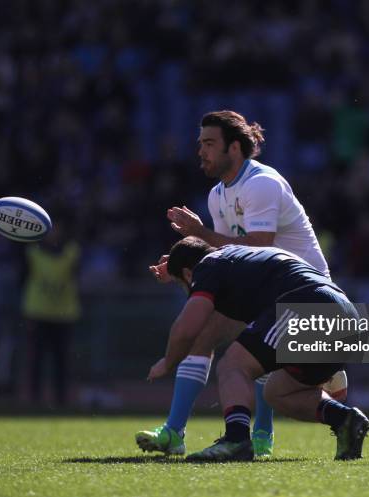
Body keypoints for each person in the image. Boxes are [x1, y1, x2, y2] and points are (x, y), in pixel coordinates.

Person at [136, 110, 348, 457]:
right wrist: (179, 265)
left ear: (234, 148)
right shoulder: (217, 195)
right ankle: (175, 433)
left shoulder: (260, 183)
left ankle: (261, 435)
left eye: (209, 144)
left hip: (303, 291)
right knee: (207, 332)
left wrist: (199, 233)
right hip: (268, 287)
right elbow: (227, 254)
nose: (200, 151)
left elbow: (259, 244)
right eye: (199, 143)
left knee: (244, 347)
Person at [147, 237, 369, 462]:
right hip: (349, 318)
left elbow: (187, 327)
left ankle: (236, 439)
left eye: (180, 283)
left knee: (232, 366)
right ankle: (345, 420)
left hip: (307, 306)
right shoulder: (235, 258)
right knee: (277, 393)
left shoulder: (208, 265)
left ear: (187, 274)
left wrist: (168, 362)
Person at [21, 220, 80, 406]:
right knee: (35, 360)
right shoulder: (32, 251)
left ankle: (61, 401)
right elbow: (22, 278)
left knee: (61, 361)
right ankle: (34, 401)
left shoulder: (72, 251)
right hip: (37, 312)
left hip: (64, 314)